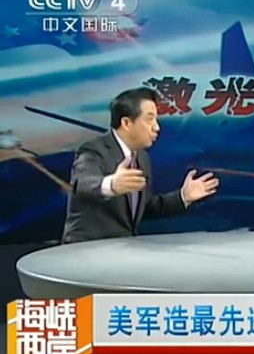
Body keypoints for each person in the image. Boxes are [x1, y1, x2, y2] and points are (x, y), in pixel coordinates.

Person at [61, 87, 219, 244]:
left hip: (121, 250)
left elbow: (145, 208)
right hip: (87, 250)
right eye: (150, 119)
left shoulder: (142, 158)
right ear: (126, 123)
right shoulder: (94, 150)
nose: (156, 127)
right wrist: (112, 185)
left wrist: (183, 197)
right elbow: (82, 183)